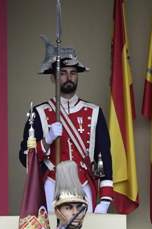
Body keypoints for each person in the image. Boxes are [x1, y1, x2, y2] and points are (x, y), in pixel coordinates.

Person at [19, 54, 113, 214]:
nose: (68, 77)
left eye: (73, 73)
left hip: (84, 185)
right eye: (62, 73)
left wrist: (105, 199)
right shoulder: (39, 113)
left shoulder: (94, 112)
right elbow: (25, 158)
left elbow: (104, 156)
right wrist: (46, 141)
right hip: (50, 185)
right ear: (53, 78)